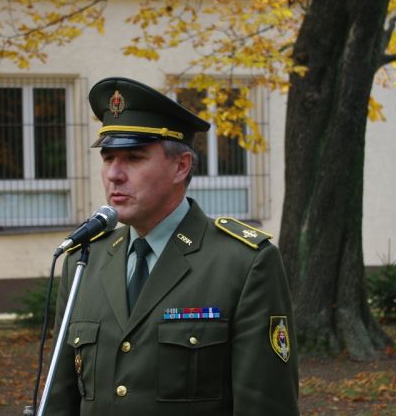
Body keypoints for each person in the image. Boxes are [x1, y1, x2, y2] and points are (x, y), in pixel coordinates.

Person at [46, 77, 299, 415]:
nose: (114, 174)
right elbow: (60, 400)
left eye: (133, 158)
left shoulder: (242, 263)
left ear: (181, 167)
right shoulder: (84, 260)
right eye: (108, 158)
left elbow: (265, 406)